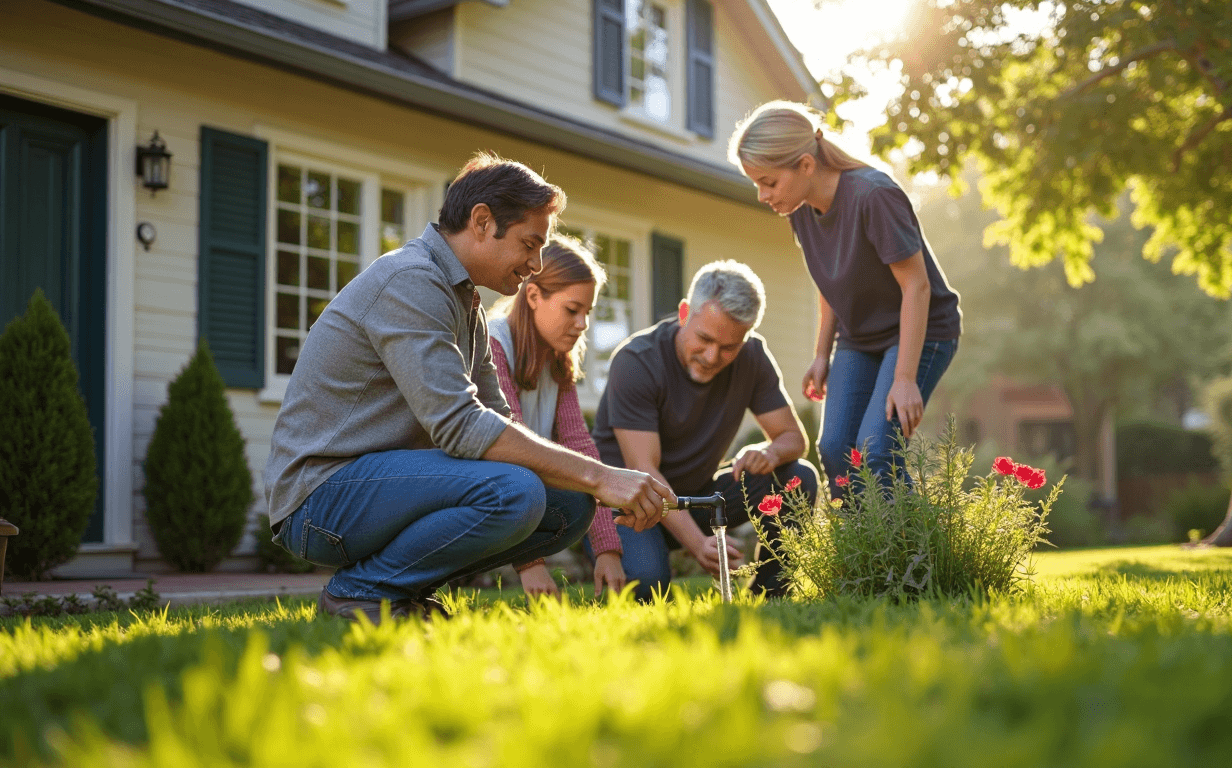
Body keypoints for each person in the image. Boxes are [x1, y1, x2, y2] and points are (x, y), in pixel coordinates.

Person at [263, 152, 673, 624]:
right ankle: (360, 593)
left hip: (375, 486)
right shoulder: (411, 281)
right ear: (482, 222)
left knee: (567, 506)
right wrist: (603, 476)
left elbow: (501, 423)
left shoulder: (465, 302)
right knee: (515, 491)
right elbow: (460, 427)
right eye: (529, 244)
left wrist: (594, 488)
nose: (536, 264)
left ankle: (403, 593)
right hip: (320, 496)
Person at [728, 101, 962, 487]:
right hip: (859, 339)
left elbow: (917, 287)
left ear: (805, 164)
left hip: (922, 330)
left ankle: (915, 548)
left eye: (769, 182)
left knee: (877, 452)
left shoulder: (874, 196)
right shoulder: (801, 209)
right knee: (837, 449)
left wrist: (904, 378)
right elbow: (829, 282)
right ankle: (859, 548)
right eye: (757, 184)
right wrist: (821, 354)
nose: (762, 195)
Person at [591, 261, 819, 600]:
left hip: (697, 498)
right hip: (630, 504)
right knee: (647, 588)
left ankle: (772, 596)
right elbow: (645, 471)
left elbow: (793, 440)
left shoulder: (753, 357)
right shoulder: (637, 361)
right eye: (704, 339)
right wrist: (701, 546)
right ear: (685, 312)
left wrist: (767, 453)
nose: (713, 356)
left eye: (729, 347)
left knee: (798, 475)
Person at [486, 235, 627, 599]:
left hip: (511, 491)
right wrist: (530, 563)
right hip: (473, 488)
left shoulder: (557, 361)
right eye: (572, 310)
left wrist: (607, 550)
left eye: (587, 313)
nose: (582, 324)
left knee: (576, 502)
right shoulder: (493, 345)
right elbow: (509, 447)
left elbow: (579, 447)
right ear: (533, 296)